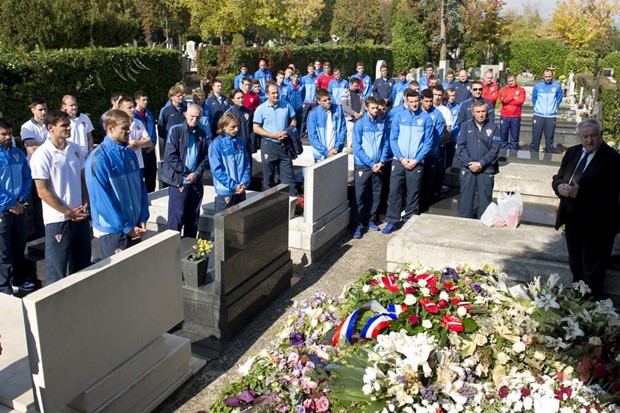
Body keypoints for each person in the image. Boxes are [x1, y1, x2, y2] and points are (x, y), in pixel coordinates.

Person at [552, 119, 620, 299]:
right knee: (576, 265)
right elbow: (558, 177)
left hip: (597, 227)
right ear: (579, 136)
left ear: (600, 135)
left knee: (592, 273)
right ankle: (576, 305)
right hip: (573, 221)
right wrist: (559, 187)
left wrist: (579, 193)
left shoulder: (612, 158)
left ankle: (591, 309)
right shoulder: (573, 152)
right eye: (585, 136)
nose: (589, 140)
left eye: (593, 136)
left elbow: (611, 195)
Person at [30, 110, 91, 285]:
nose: (68, 127)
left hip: (79, 216)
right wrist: (67, 212)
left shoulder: (75, 149)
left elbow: (82, 178)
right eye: (64, 125)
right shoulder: (42, 155)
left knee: (83, 267)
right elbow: (42, 191)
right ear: (51, 128)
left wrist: (85, 201)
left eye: (68, 124)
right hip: (58, 220)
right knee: (57, 271)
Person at [85, 110, 149, 259]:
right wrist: (126, 227)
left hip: (134, 226)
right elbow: (101, 201)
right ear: (110, 129)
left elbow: (140, 189)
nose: (129, 131)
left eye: (130, 127)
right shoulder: (98, 159)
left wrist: (143, 217)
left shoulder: (130, 154)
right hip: (114, 231)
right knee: (118, 279)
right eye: (124, 128)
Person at [382, 89, 433, 234]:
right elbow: (393, 139)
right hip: (400, 161)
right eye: (411, 101)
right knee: (394, 191)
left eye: (416, 101)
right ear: (406, 101)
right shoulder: (399, 116)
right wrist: (401, 158)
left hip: (416, 162)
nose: (414, 104)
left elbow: (428, 142)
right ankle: (392, 220)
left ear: (420, 100)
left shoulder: (426, 119)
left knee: (413, 192)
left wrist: (416, 159)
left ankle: (409, 221)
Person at [162, 104, 209, 239]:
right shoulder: (175, 131)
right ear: (185, 115)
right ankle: (172, 251)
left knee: (193, 218)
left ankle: (190, 248)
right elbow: (170, 156)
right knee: (176, 218)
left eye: (197, 117)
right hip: (180, 181)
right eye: (192, 116)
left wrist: (197, 173)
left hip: (195, 182)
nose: (194, 120)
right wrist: (186, 173)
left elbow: (205, 157)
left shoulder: (202, 133)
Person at [0, 118, 34, 294]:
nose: (7, 137)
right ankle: (3, 286)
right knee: (3, 250)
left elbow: (27, 177)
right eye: (3, 134)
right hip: (3, 211)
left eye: (9, 134)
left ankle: (19, 279)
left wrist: (20, 200)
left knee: (20, 245)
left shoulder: (17, 154)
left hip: (19, 208)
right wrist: (10, 203)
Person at [352, 97, 389, 239]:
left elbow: (385, 144)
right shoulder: (360, 124)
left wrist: (381, 161)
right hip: (364, 165)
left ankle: (371, 220)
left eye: (377, 108)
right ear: (367, 108)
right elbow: (357, 147)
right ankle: (357, 225)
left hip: (378, 165)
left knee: (375, 194)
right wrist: (370, 164)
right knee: (359, 196)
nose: (376, 111)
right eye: (373, 108)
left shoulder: (381, 124)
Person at [457, 100, 500, 219]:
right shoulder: (466, 126)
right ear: (473, 112)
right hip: (468, 168)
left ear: (487, 112)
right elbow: (460, 147)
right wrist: (469, 163)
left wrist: (481, 163)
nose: (481, 114)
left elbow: (495, 150)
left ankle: (484, 224)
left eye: (483, 111)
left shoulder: (494, 127)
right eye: (478, 112)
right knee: (465, 198)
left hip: (486, 169)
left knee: (485, 199)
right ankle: (463, 223)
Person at [253, 82, 299, 196]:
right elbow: (256, 128)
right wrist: (272, 135)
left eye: (277, 92)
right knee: (268, 178)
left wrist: (288, 130)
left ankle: (293, 203)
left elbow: (293, 120)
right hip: (269, 145)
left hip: (284, 145)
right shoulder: (261, 109)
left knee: (289, 178)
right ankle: (268, 206)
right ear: (267, 94)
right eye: (273, 93)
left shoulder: (286, 105)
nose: (276, 95)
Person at [209, 113, 251, 213]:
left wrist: (244, 182)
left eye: (237, 126)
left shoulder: (239, 142)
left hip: (240, 189)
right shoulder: (216, 145)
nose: (236, 129)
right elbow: (217, 170)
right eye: (233, 127)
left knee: (239, 224)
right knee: (222, 226)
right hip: (225, 191)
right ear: (224, 127)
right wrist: (233, 186)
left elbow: (246, 164)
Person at [20, 99, 48, 237]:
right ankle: (41, 234)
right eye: (40, 109)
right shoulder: (27, 127)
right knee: (37, 205)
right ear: (33, 110)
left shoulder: (49, 124)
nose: (43, 112)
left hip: (51, 169)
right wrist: (48, 145)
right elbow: (32, 148)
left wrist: (40, 144)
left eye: (44, 109)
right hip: (35, 170)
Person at [419, 88, 447, 213]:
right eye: (427, 101)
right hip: (416, 155)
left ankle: (424, 207)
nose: (429, 103)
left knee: (427, 182)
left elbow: (437, 137)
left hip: (430, 155)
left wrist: (424, 150)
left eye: (431, 101)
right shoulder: (416, 112)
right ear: (421, 100)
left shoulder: (438, 116)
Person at [307, 88, 346, 162]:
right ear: (318, 101)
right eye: (324, 100)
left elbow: (343, 129)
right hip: (320, 155)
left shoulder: (338, 109)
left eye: (329, 99)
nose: (328, 102)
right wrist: (326, 152)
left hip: (336, 152)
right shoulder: (313, 114)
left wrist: (337, 147)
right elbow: (312, 136)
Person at [530, 69, 563, 154]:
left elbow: (559, 98)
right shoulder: (538, 86)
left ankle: (549, 156)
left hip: (551, 117)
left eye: (549, 76)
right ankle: (533, 156)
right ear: (543, 76)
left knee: (549, 138)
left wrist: (553, 107)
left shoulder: (557, 86)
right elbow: (534, 99)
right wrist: (538, 108)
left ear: (552, 76)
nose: (547, 78)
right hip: (539, 116)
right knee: (536, 137)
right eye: (546, 76)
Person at [118, 96, 152, 171]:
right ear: (121, 109)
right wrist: (142, 141)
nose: (133, 109)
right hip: (125, 165)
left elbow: (149, 142)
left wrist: (136, 142)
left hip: (138, 164)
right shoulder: (117, 126)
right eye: (129, 108)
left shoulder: (138, 122)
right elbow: (126, 146)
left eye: (133, 107)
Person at [134, 91, 158, 192]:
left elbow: (152, 131)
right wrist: (144, 145)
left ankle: (151, 194)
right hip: (140, 151)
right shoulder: (134, 116)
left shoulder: (149, 114)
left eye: (147, 99)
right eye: (143, 100)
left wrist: (152, 144)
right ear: (137, 100)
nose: (146, 102)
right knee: (141, 175)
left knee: (151, 175)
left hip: (151, 149)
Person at [226, 89, 255, 174]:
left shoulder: (248, 112)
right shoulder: (228, 114)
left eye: (242, 97)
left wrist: (251, 144)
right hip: (233, 148)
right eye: (238, 98)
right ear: (232, 99)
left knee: (247, 172)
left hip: (246, 147)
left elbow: (252, 130)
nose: (241, 100)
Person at [498, 74, 526, 151]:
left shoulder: (521, 90)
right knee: (503, 135)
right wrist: (513, 98)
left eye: (512, 80)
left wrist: (508, 100)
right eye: (509, 81)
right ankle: (503, 151)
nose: (511, 82)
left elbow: (520, 101)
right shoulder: (504, 90)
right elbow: (502, 100)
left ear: (515, 80)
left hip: (515, 116)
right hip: (505, 116)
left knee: (514, 136)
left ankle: (514, 152)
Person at [158, 85, 187, 150]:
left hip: (184, 141)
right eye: (178, 96)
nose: (181, 97)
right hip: (170, 142)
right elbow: (161, 127)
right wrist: (167, 136)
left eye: (181, 95)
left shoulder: (186, 109)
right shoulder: (165, 110)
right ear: (172, 97)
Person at [341, 78, 365, 149]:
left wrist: (361, 113)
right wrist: (355, 114)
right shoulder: (345, 92)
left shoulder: (360, 92)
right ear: (350, 84)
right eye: (355, 86)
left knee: (360, 134)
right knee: (350, 134)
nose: (356, 87)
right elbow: (345, 106)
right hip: (350, 118)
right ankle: (350, 149)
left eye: (357, 86)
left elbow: (363, 103)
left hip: (360, 117)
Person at [300, 62, 319, 138]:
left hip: (314, 102)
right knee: (304, 118)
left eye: (312, 69)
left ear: (314, 70)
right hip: (306, 101)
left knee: (313, 118)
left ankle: (312, 133)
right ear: (307, 70)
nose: (311, 70)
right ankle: (302, 132)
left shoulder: (317, 78)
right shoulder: (304, 79)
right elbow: (301, 90)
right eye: (310, 69)